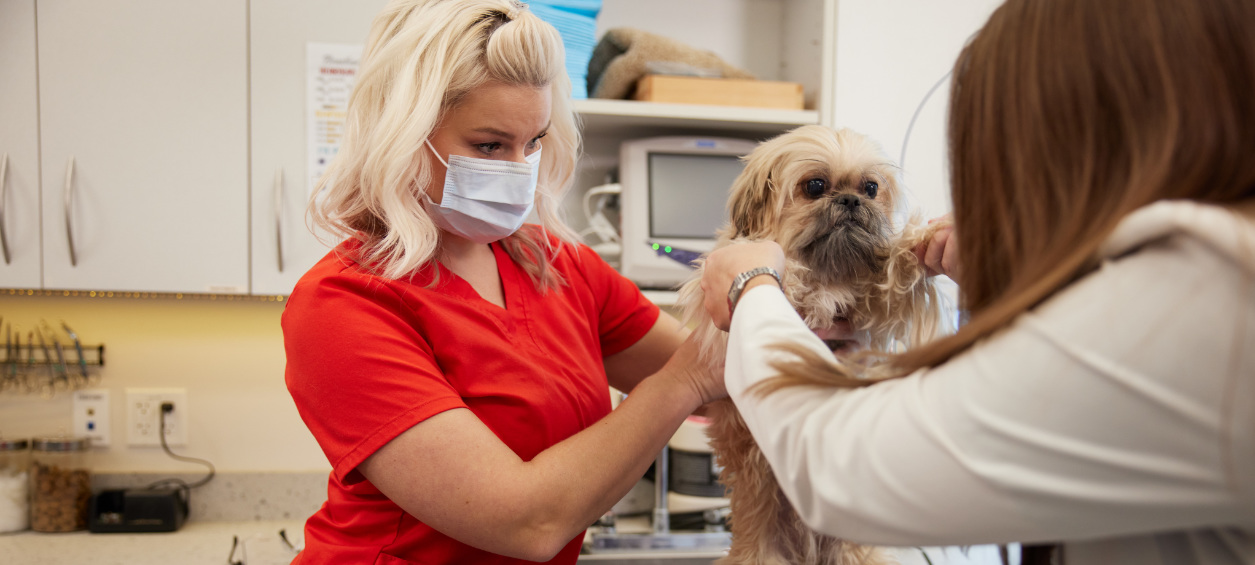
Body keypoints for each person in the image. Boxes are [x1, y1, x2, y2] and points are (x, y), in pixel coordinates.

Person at [698, 0, 1255, 563]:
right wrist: (1015, 271)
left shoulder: (1206, 291)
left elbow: (843, 470)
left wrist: (752, 287)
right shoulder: (1193, 270)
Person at [281, 1, 723, 563]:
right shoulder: (344, 305)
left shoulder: (552, 262)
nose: (518, 168)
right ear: (403, 135)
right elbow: (527, 522)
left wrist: (768, 284)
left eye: (533, 142)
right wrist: (684, 382)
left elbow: (720, 371)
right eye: (490, 146)